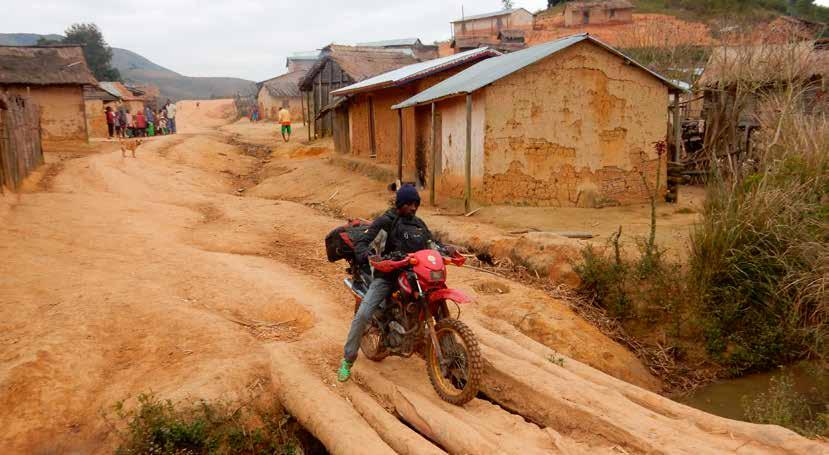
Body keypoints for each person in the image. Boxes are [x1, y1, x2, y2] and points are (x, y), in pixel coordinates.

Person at [338, 185, 438, 382]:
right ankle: (347, 360)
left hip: (414, 276)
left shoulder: (418, 224)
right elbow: (362, 243)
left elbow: (432, 244)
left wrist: (445, 249)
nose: (413, 208)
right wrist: (369, 256)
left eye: (416, 204)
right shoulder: (385, 221)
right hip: (387, 277)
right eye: (408, 204)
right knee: (363, 315)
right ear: (400, 204)